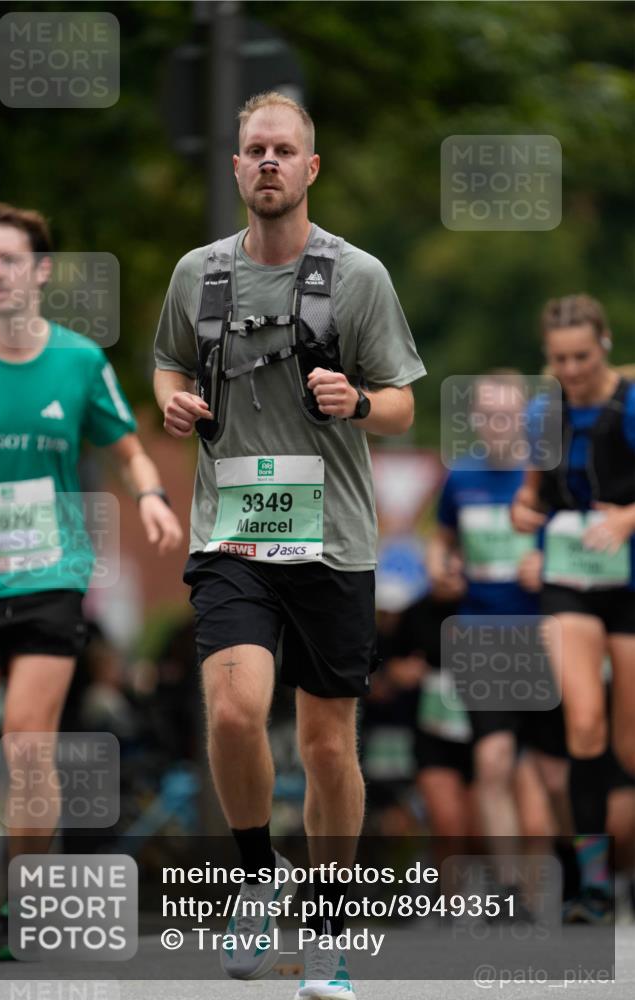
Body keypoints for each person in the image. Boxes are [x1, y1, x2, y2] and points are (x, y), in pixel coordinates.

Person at [153, 91, 425, 998]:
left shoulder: (359, 277)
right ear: (234, 167)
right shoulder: (197, 274)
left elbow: (403, 404)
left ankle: (331, 933)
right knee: (232, 710)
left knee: (324, 746)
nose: (267, 162)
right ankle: (254, 873)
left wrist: (358, 402)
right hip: (232, 534)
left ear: (310, 169)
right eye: (252, 150)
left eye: (284, 151)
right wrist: (172, 399)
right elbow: (168, 362)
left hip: (331, 541)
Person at [0, 202, 183, 958]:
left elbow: (127, 449)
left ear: (41, 271)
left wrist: (152, 495)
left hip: (52, 575)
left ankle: (18, 910)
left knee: (27, 746)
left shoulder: (79, 362)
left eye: (10, 260)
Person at [427, 371, 572, 916]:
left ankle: (578, 871)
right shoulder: (459, 479)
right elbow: (439, 541)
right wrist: (441, 569)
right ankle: (511, 891)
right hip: (483, 635)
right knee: (492, 762)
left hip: (548, 637)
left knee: (555, 778)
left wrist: (551, 561)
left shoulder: (547, 477)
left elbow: (586, 542)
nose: (495, 424)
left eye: (506, 414)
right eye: (485, 414)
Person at [512, 294, 635, 922]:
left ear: (605, 345)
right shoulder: (544, 413)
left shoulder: (631, 402)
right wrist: (522, 513)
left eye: (582, 356)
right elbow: (529, 496)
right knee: (583, 724)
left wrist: (629, 518)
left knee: (629, 739)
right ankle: (591, 887)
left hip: (629, 582)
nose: (572, 369)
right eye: (560, 358)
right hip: (569, 579)